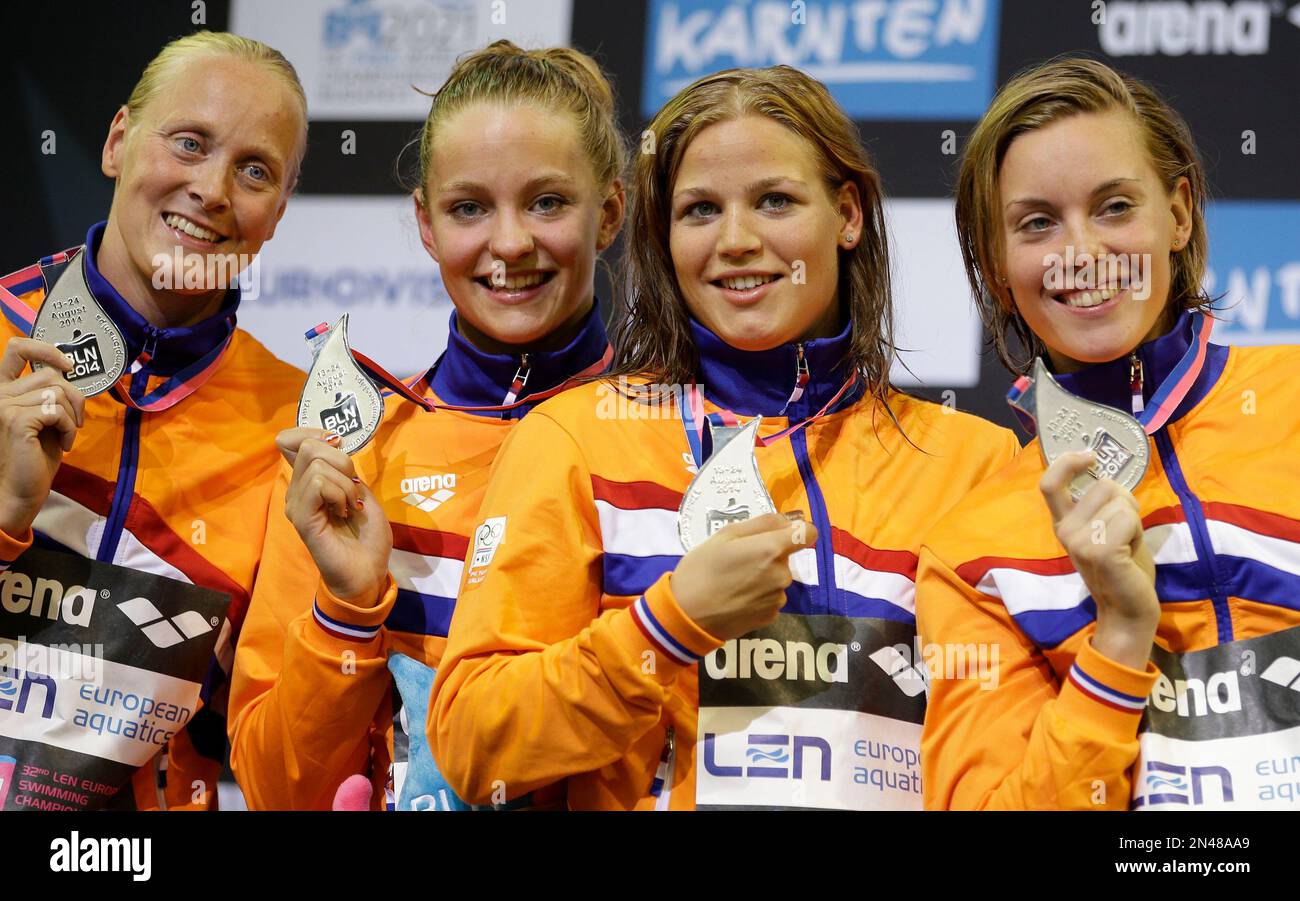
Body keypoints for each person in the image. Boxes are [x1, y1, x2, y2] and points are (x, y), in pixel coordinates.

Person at [427, 66, 1019, 810]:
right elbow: (476, 743)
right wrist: (666, 625)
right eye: (700, 209)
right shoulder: (576, 440)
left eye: (774, 200)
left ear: (848, 214)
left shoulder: (973, 464)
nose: (736, 241)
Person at [228, 41, 626, 810]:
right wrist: (346, 610)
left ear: (609, 210)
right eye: (469, 207)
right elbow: (280, 792)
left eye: (547, 202)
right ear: (426, 222)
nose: (510, 243)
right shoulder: (353, 451)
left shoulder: (678, 444)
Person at [918, 57, 1300, 810]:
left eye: (1115, 207)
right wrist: (1121, 638)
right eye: (1037, 223)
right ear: (997, 265)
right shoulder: (972, 552)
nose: (1081, 252)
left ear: (1179, 214)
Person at [0, 31, 307, 810]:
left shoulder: (293, 428)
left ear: (278, 212)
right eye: (189, 143)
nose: (212, 189)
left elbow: (286, 772)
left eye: (255, 170)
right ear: (116, 141)